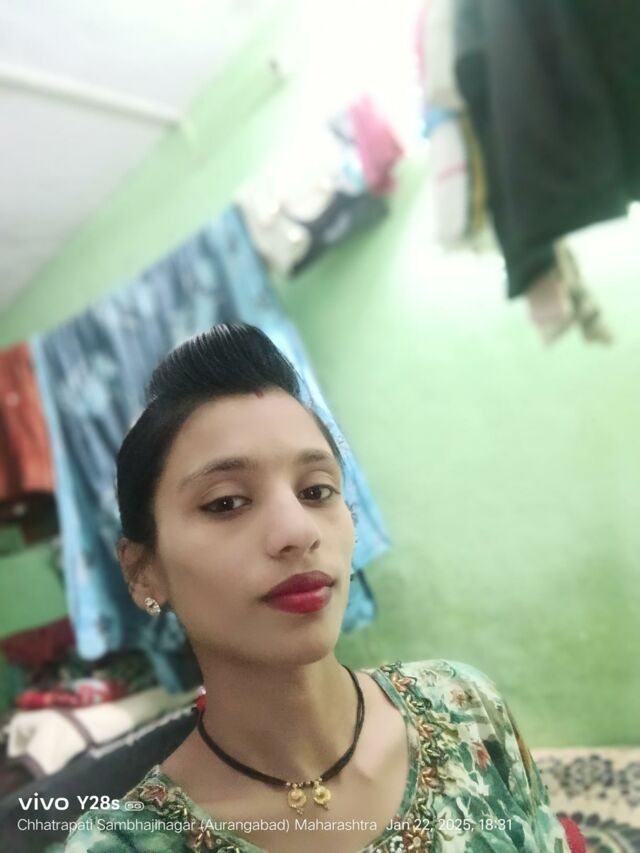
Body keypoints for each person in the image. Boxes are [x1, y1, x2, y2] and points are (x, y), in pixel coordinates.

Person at [64, 323, 570, 852]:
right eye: (226, 502)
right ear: (142, 570)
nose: (298, 531)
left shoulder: (463, 706)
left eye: (316, 491)